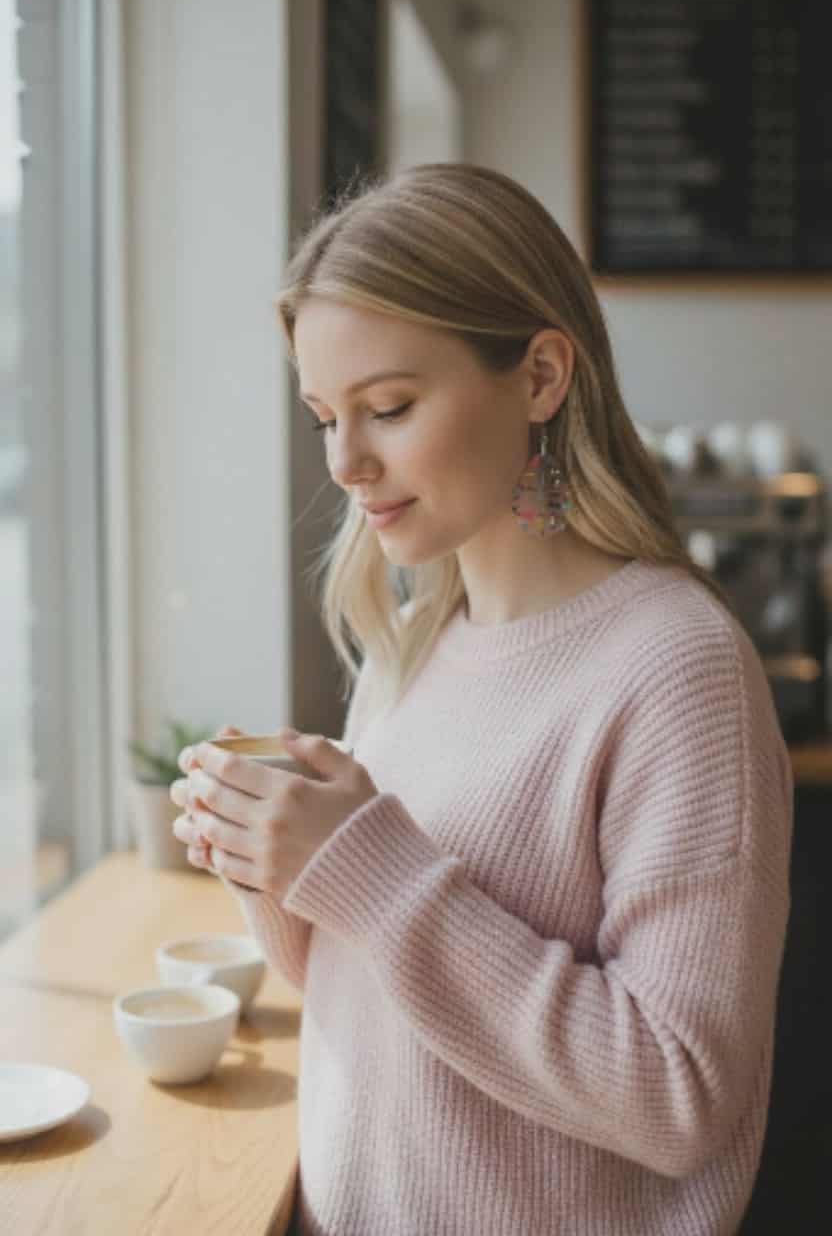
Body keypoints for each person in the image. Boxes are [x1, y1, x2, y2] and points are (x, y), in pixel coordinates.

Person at [170, 164, 793, 1235]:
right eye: (325, 417)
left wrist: (366, 864)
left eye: (388, 407)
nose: (347, 462)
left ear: (542, 374)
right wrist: (273, 859)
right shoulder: (412, 642)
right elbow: (381, 1000)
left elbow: (680, 1093)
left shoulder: (677, 670)